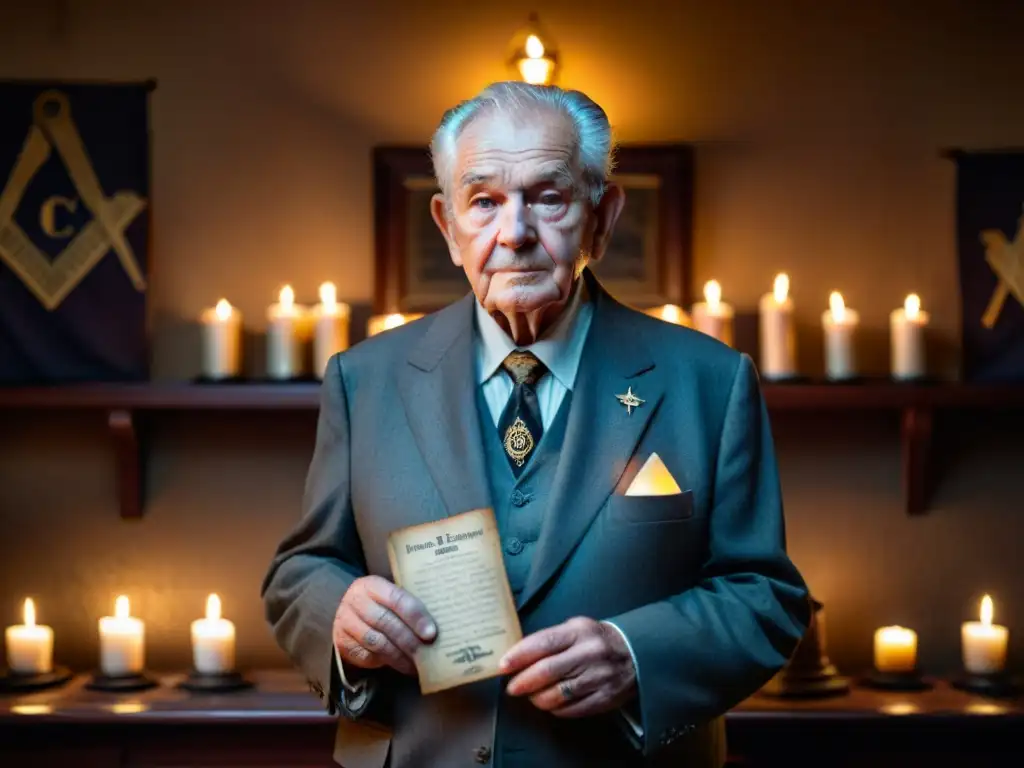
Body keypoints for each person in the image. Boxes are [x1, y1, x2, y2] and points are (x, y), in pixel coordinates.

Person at [262, 81, 809, 768]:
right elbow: (300, 572)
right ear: (448, 226)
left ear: (602, 219)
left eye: (548, 198)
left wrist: (637, 656)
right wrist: (339, 614)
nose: (514, 234)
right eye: (484, 201)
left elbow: (767, 596)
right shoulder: (363, 380)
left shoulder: (711, 381)